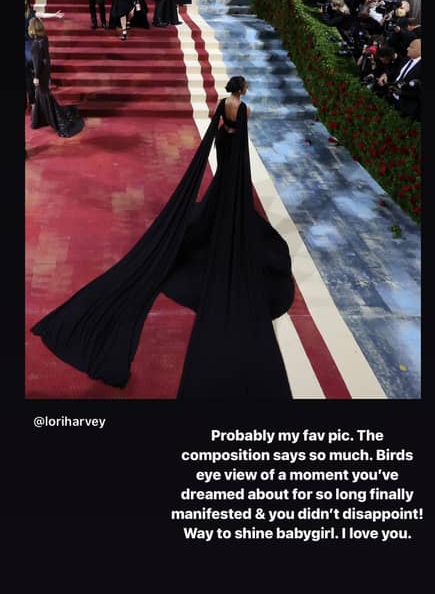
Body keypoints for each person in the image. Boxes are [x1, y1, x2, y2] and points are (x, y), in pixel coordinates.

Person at [31, 76, 295, 398]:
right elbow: (241, 137)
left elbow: (222, 132)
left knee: (215, 199)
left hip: (225, 155)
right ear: (243, 90)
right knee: (226, 201)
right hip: (235, 162)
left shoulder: (223, 105)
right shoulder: (243, 109)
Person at [29, 18, 85, 137]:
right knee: (41, 95)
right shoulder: (44, 38)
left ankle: (56, 120)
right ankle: (37, 120)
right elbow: (45, 59)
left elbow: (36, 62)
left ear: (32, 28)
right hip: (46, 71)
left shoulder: (35, 44)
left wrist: (36, 76)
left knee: (44, 95)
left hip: (40, 73)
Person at [25, 0, 64, 112]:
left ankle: (33, 103)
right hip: (31, 45)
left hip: (29, 46)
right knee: (34, 70)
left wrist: (54, 15)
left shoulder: (31, 13)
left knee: (28, 75)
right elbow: (43, 15)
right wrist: (55, 15)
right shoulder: (31, 13)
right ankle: (35, 103)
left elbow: (42, 15)